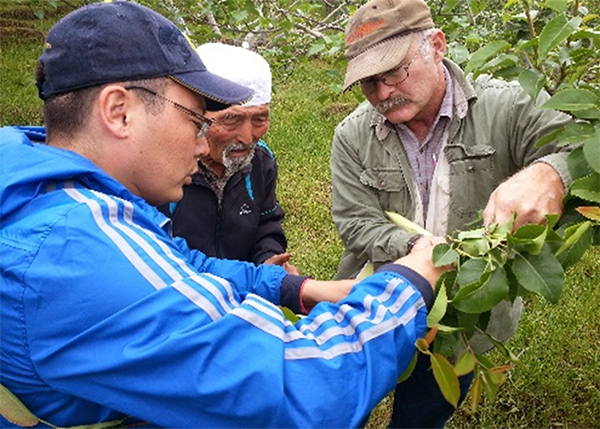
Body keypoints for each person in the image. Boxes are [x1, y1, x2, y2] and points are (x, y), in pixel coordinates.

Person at [0, 2, 448, 428]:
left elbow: (178, 268)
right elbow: (303, 389)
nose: (201, 144)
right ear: (119, 111)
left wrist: (295, 288)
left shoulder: (45, 181)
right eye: (196, 121)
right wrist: (408, 284)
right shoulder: (73, 249)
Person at [331, 0, 574, 427]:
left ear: (437, 45)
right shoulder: (352, 134)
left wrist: (550, 173)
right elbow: (354, 222)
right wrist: (419, 250)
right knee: (336, 407)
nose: (383, 93)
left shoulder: (509, 106)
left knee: (422, 414)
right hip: (378, 302)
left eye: (394, 72)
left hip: (464, 319)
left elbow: (580, 146)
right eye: (370, 83)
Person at [160, 43, 299, 275]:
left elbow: (266, 224)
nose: (246, 137)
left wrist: (268, 260)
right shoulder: (160, 167)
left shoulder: (260, 160)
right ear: (197, 116)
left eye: (259, 119)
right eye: (231, 119)